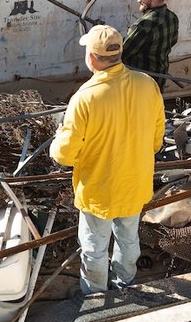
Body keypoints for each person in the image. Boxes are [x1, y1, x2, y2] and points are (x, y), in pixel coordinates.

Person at [50, 26, 166, 295]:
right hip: (135, 183)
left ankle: (95, 294)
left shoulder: (85, 97)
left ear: (91, 58)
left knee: (94, 247)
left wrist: (56, 143)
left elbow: (65, 155)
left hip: (99, 190)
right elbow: (157, 137)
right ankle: (125, 282)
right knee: (128, 238)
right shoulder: (147, 84)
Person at [122, 0, 180, 92]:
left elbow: (124, 53)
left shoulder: (143, 25)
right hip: (160, 79)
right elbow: (173, 41)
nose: (138, 0)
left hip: (141, 83)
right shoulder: (172, 17)